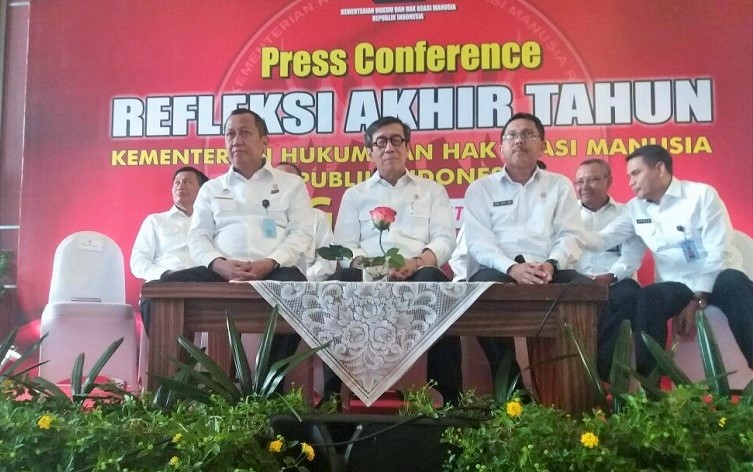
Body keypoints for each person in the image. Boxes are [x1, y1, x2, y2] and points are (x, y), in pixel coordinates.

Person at [157, 108, 314, 383]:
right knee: (158, 292)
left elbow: (300, 234)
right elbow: (198, 237)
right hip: (220, 268)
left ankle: (268, 384)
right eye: (230, 134)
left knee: (300, 292)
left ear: (265, 140)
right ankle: (191, 381)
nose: (236, 140)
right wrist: (220, 265)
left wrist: (270, 262)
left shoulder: (291, 184)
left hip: (273, 268)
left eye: (245, 133)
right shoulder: (211, 188)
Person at [332, 116, 462, 405]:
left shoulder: (432, 190)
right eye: (381, 142)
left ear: (407, 148)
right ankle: (332, 397)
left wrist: (416, 262)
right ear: (370, 152)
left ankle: (450, 396)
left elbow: (445, 239)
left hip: (416, 272)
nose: (389, 147)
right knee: (340, 283)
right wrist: (375, 267)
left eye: (396, 140)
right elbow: (344, 248)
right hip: (368, 275)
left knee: (437, 282)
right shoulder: (355, 195)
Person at [593, 144, 753, 376]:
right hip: (676, 284)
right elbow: (600, 239)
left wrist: (698, 299)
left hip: (716, 276)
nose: (630, 182)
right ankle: (650, 390)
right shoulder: (634, 209)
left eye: (636, 173)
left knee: (735, 282)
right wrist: (567, 238)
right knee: (648, 297)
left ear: (659, 168)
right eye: (629, 176)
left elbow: (718, 251)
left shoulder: (701, 195)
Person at [463, 112, 591, 384]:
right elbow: (478, 242)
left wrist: (552, 264)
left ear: (542, 145)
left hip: (547, 268)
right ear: (501, 149)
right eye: (512, 135)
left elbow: (571, 234)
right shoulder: (481, 189)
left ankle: (567, 385)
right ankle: (512, 389)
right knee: (481, 292)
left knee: (586, 292)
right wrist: (512, 268)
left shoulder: (559, 185)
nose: (519, 140)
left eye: (528, 134)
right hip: (497, 269)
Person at [574, 159, 645, 379]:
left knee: (629, 293)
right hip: (576, 280)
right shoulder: (565, 216)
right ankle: (574, 375)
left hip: (615, 281)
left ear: (609, 181)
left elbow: (632, 254)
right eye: (579, 181)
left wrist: (611, 276)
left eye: (593, 179)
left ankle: (601, 376)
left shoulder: (628, 213)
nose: (585, 186)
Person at [131, 166, 209, 332]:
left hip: (203, 288)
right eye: (177, 183)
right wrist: (165, 275)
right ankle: (168, 357)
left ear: (202, 190)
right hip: (164, 287)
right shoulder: (155, 221)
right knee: (155, 302)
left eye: (187, 182)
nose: (180, 186)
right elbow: (138, 262)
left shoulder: (211, 222)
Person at [276, 162, 337, 281]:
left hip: (308, 286)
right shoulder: (263, 218)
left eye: (288, 181)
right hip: (267, 284)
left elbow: (327, 261)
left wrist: (302, 279)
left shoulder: (318, 217)